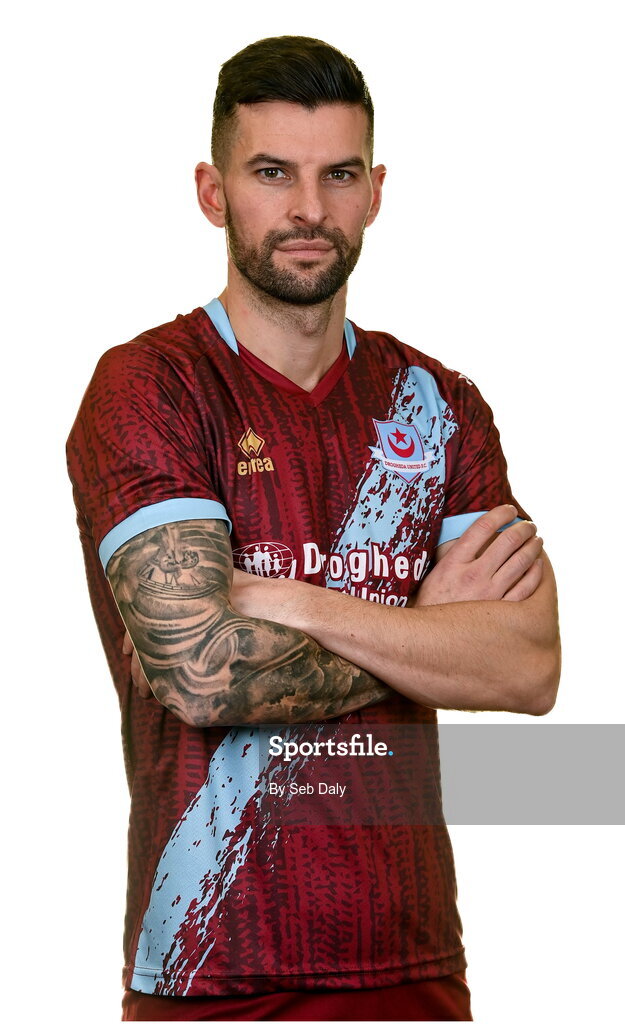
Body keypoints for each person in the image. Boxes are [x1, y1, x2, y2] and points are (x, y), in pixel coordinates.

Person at [66, 34, 560, 1022]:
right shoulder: (151, 387)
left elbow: (528, 667)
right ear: (213, 192)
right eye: (271, 173)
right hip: (212, 969)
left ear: (375, 190)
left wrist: (280, 597)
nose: (308, 208)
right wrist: (425, 631)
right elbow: (202, 670)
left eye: (338, 174)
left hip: (410, 962)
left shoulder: (438, 402)